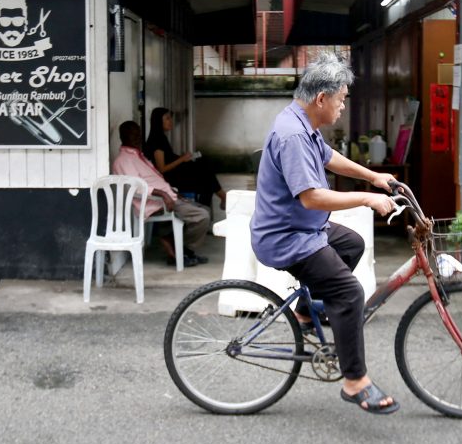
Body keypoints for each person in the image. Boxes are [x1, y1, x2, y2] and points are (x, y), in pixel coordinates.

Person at [250, 54, 401, 415]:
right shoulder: (292, 136)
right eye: (342, 99)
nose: (343, 107)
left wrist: (373, 177)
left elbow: (329, 157)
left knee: (352, 243)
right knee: (350, 293)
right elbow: (312, 197)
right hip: (287, 237)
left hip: (302, 227)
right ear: (321, 99)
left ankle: (304, 314)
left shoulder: (303, 124)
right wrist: (368, 198)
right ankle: (355, 383)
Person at [112, 120, 210, 268]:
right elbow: (136, 188)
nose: (137, 137)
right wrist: (164, 195)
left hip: (167, 197)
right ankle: (185, 250)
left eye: (138, 133)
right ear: (123, 136)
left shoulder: (138, 155)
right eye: (133, 134)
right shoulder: (123, 160)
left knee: (205, 210)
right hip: (156, 202)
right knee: (202, 216)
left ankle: (175, 245)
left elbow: (154, 179)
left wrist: (173, 192)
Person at [143, 108, 228, 210]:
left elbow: (169, 158)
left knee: (205, 168)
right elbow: (162, 169)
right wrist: (181, 159)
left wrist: (183, 158)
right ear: (158, 121)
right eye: (167, 118)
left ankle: (205, 210)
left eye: (170, 118)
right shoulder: (157, 140)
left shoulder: (161, 137)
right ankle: (220, 200)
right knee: (207, 176)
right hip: (172, 179)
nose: (171, 121)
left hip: (177, 174)